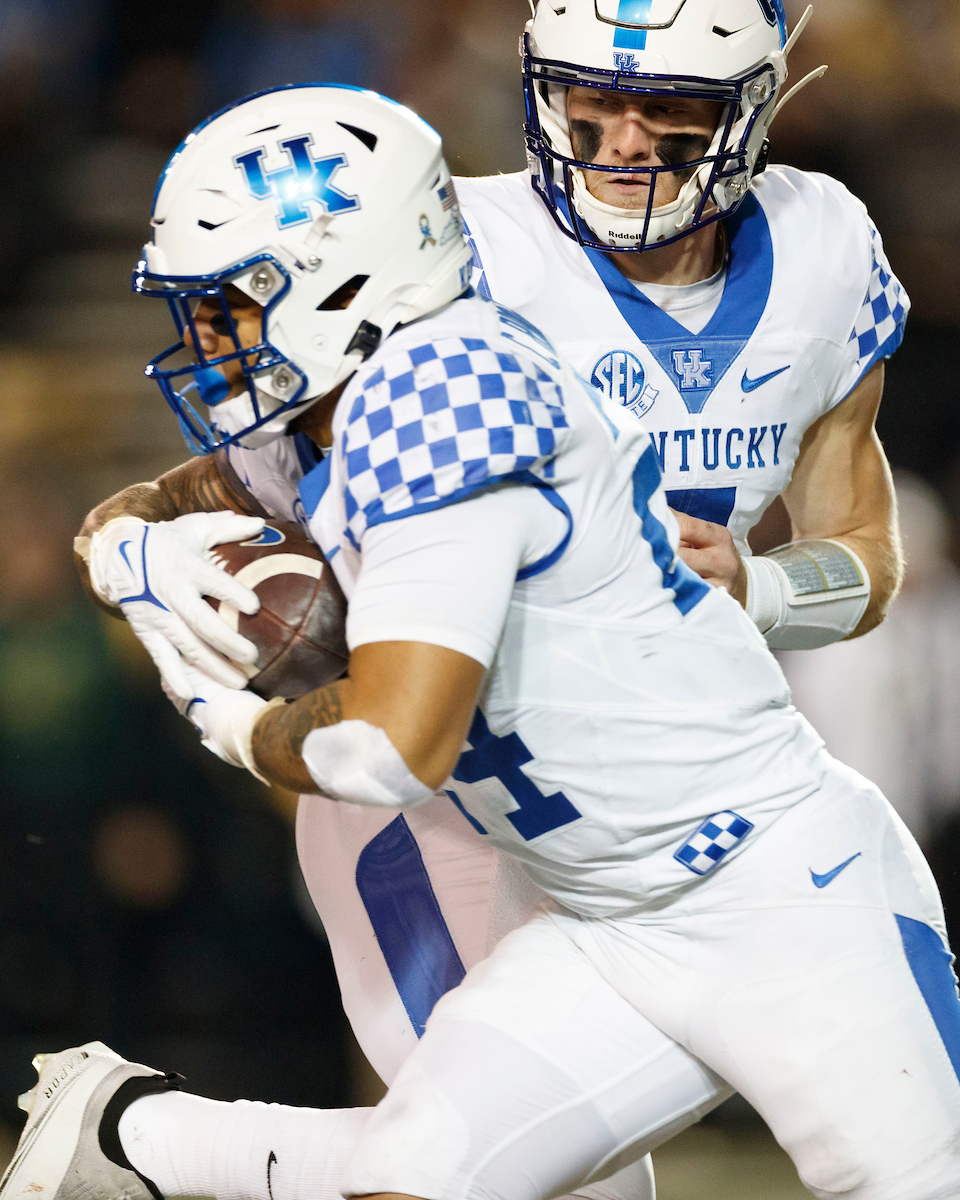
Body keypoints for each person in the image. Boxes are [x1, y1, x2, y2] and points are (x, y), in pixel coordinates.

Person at [19, 85, 960, 1200]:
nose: (205, 336)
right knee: (416, 1180)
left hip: (779, 888)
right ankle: (132, 1135)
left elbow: (386, 747)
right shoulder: (354, 398)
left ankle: (153, 1144)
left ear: (346, 279)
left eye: (230, 301)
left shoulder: (449, 398)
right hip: (605, 919)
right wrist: (137, 551)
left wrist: (220, 712)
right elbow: (162, 500)